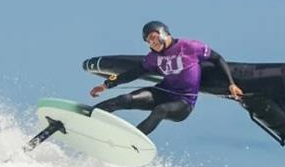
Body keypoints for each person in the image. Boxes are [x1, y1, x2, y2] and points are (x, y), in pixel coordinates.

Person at [90, 21, 244, 135]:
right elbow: (134, 73)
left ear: (163, 33)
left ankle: (132, 140)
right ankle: (89, 116)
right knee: (125, 99)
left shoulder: (190, 47)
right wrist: (106, 85)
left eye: (153, 37)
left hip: (183, 103)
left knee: (161, 109)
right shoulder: (153, 57)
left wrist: (231, 84)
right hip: (162, 92)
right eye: (148, 41)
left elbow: (217, 58)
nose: (151, 42)